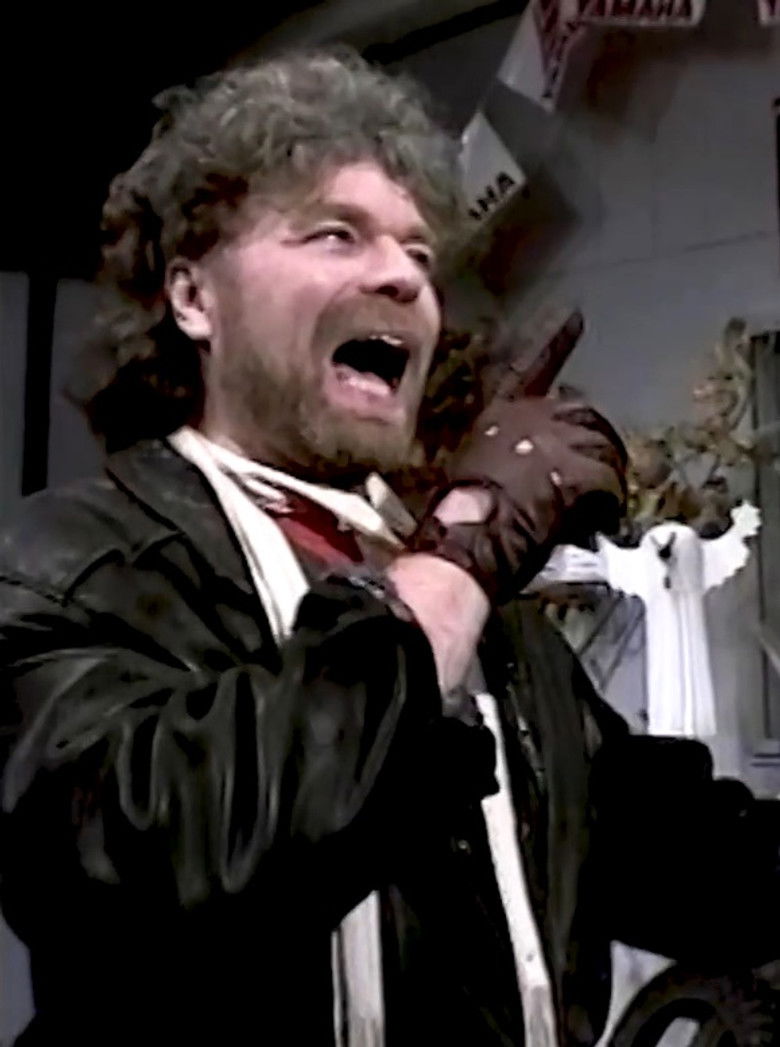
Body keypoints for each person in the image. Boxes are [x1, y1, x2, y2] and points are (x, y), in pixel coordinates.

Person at [0, 48, 776, 1047]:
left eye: (418, 252)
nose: (403, 277)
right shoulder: (69, 562)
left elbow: (686, 862)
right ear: (193, 297)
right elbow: (154, 862)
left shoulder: (482, 616)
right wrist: (464, 547)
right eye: (335, 234)